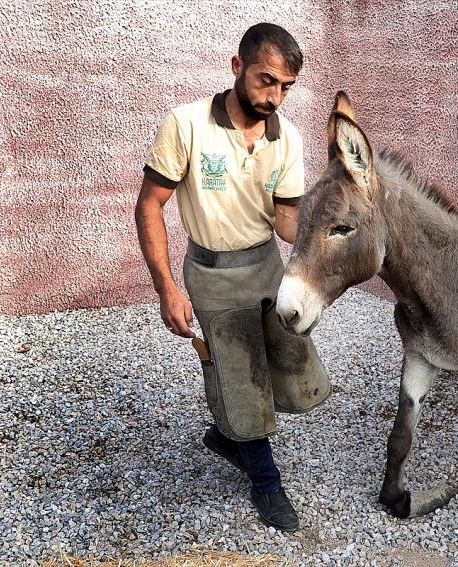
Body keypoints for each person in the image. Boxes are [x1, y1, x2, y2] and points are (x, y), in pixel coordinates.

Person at [134, 23, 330, 532]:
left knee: (296, 379)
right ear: (238, 67)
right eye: (267, 81)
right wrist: (166, 289)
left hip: (267, 267)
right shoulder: (186, 124)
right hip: (212, 275)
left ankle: (228, 438)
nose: (275, 96)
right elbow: (149, 206)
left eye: (286, 87)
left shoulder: (287, 137)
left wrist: (324, 241)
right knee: (242, 379)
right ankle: (266, 483)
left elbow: (286, 219)